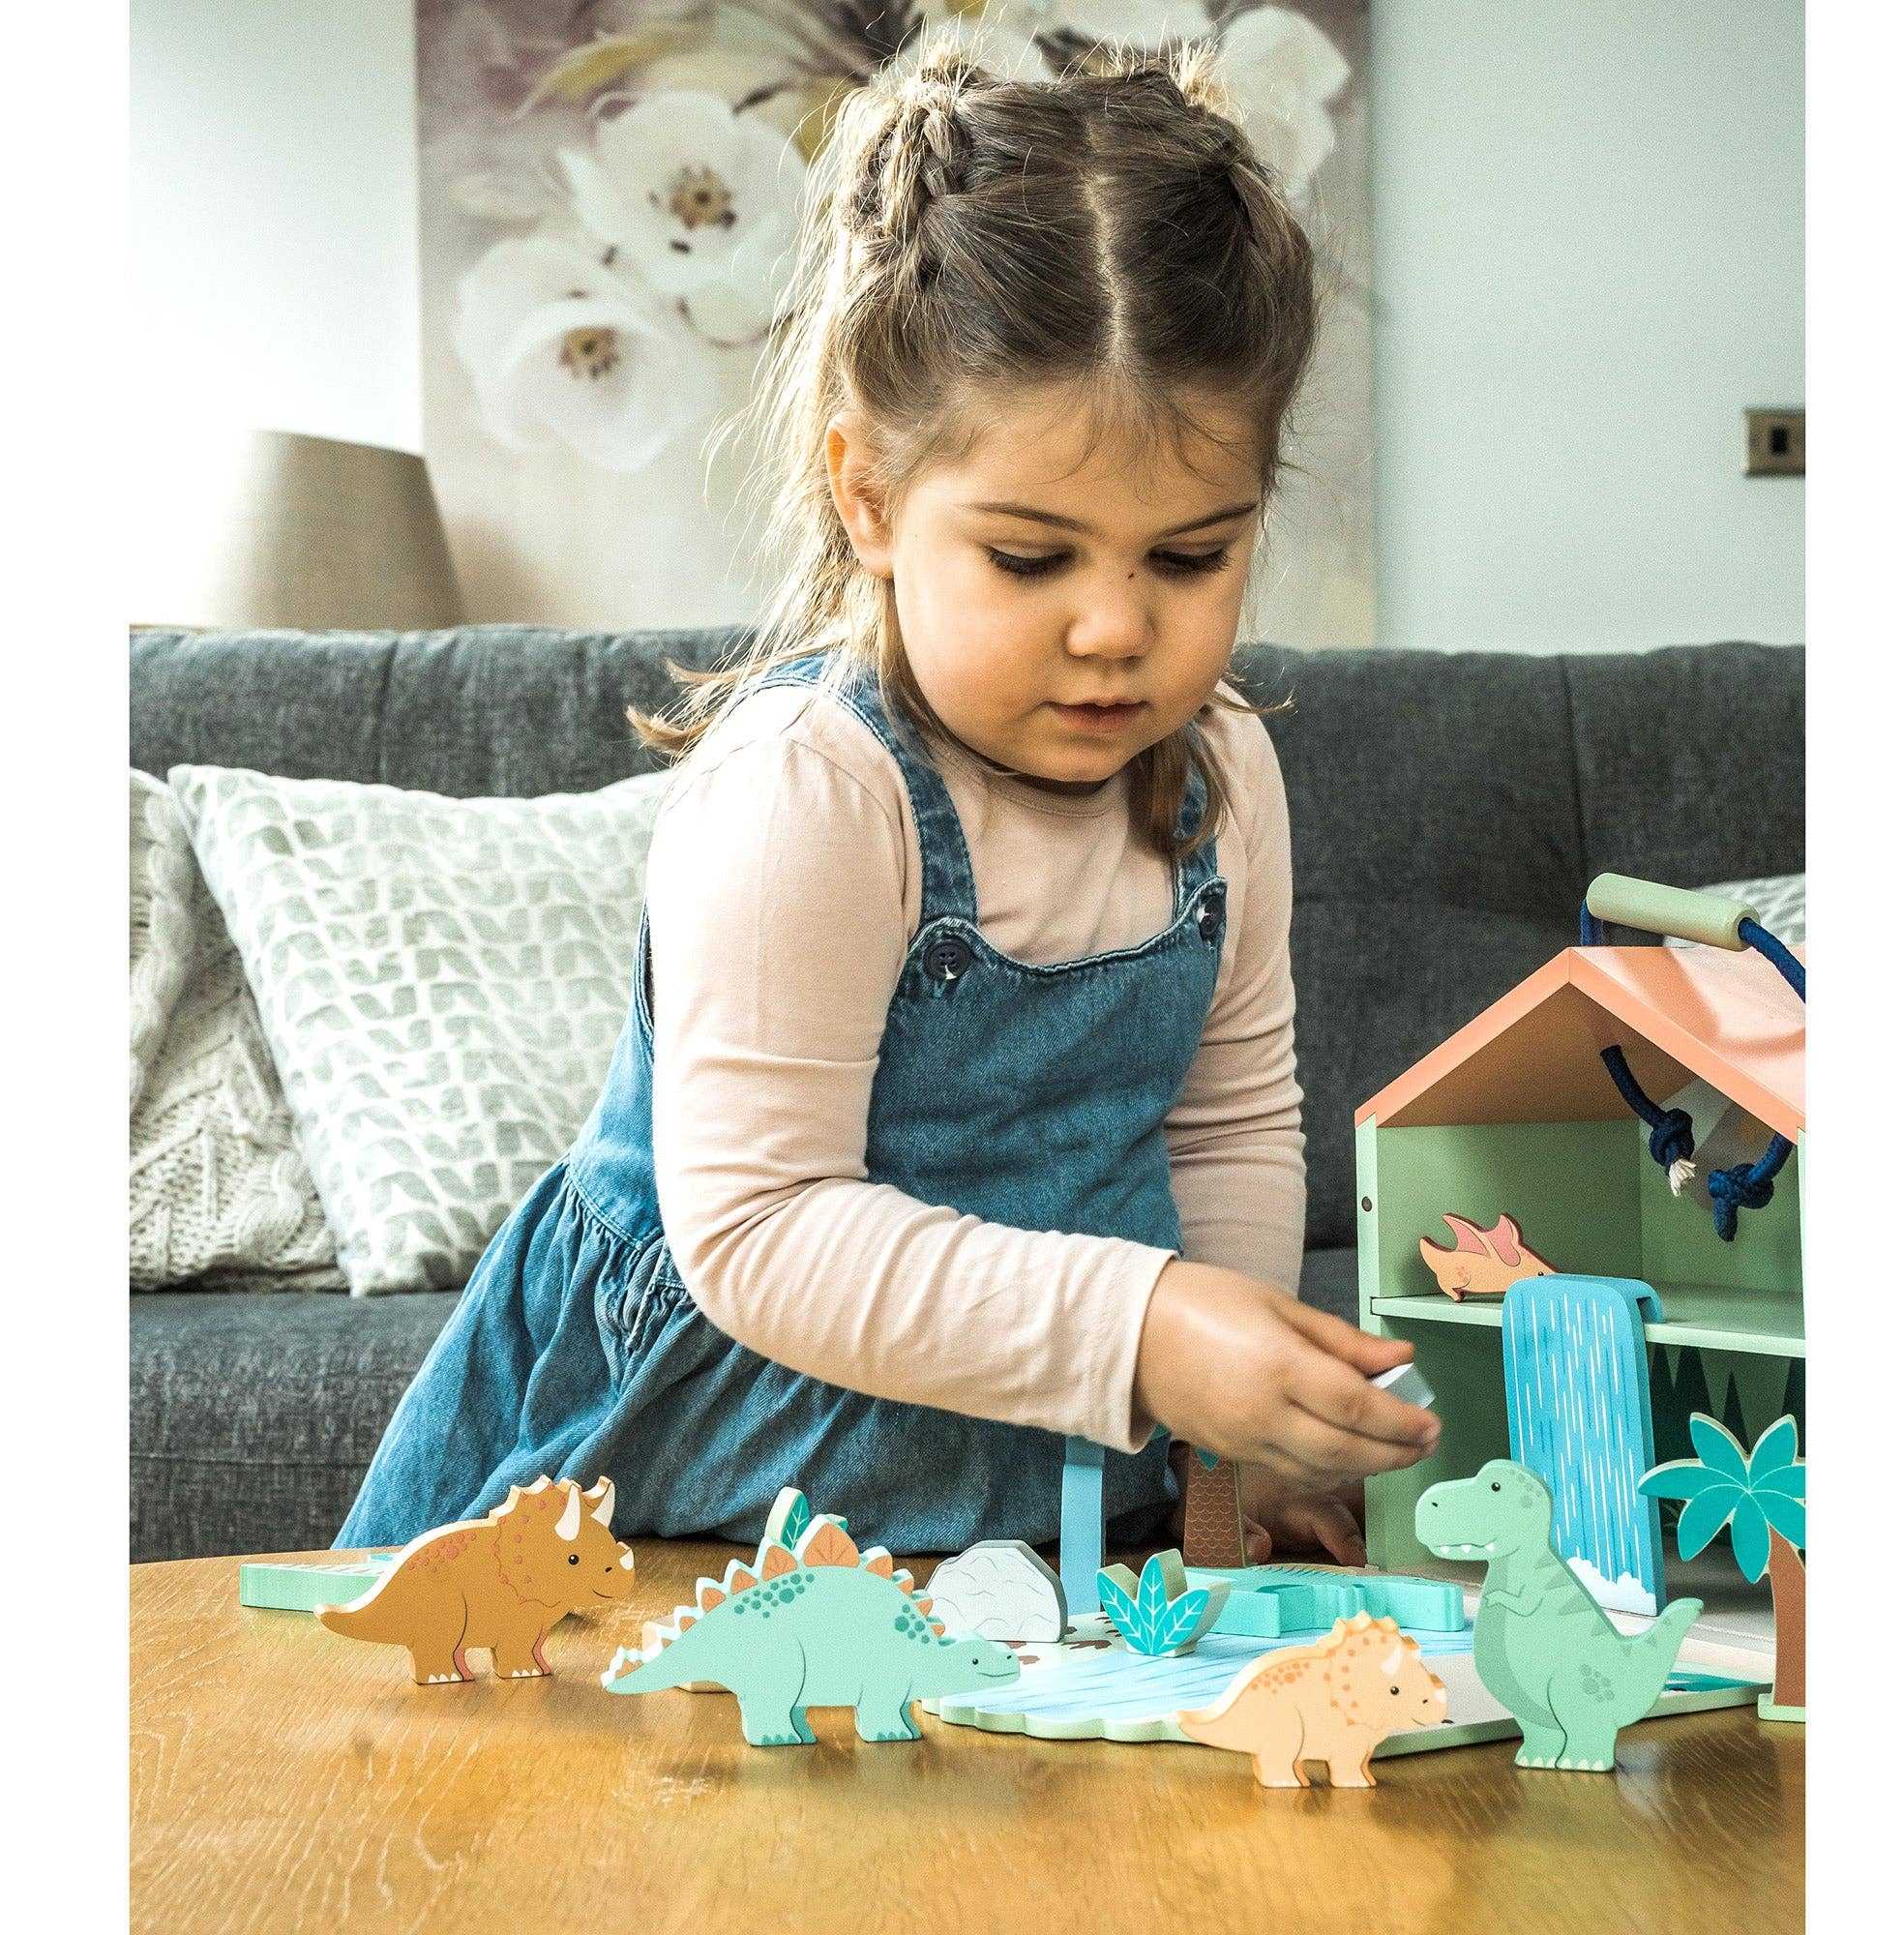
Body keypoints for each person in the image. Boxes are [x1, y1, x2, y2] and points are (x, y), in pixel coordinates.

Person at [338, 36, 1439, 1562]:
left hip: (1057, 1460)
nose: (1115, 627)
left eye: (1189, 557)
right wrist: (1149, 1330)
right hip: (703, 1467)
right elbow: (764, 1232)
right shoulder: (809, 794)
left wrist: (1226, 1440)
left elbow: (1234, 1125)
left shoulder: (1226, 770)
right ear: (869, 499)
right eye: (1032, 557)